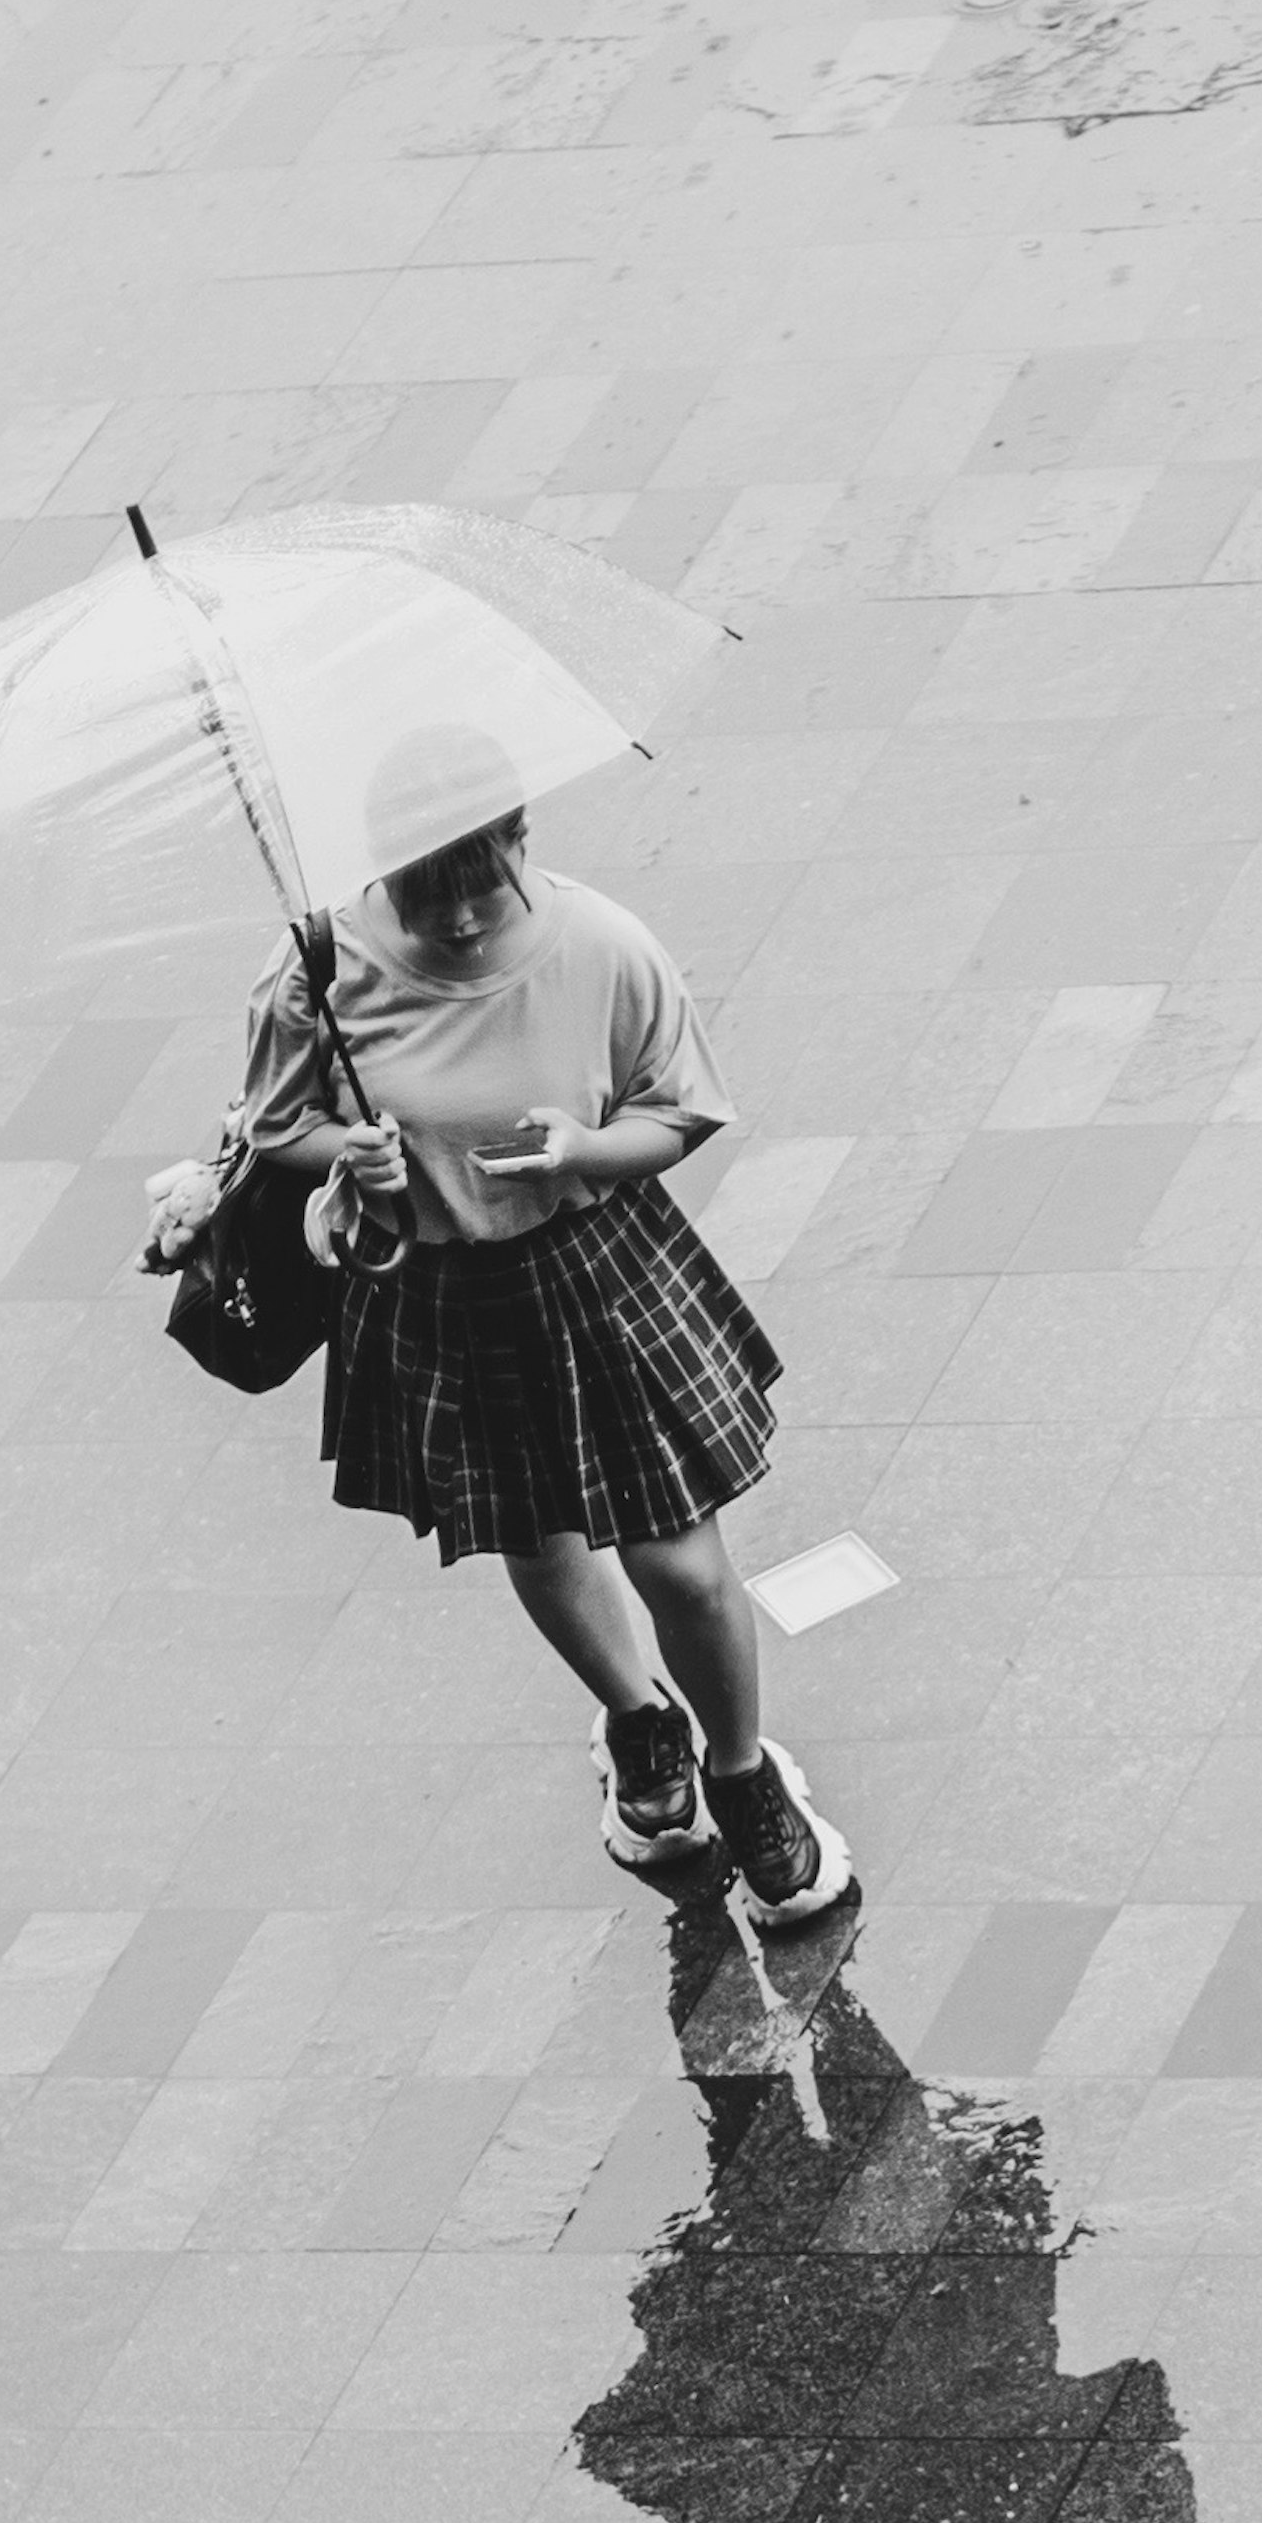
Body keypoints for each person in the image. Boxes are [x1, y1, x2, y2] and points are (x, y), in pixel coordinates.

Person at [234, 727, 849, 1913]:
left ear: (524, 841)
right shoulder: (316, 964)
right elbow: (272, 1123)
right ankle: (638, 1721)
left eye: (481, 885)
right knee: (538, 1534)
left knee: (678, 1555)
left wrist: (586, 1147)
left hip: (595, 1265)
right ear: (381, 871)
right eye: (428, 893)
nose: (459, 921)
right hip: (440, 1287)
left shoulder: (603, 948)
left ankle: (741, 1771)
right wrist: (347, 1150)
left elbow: (685, 1112)